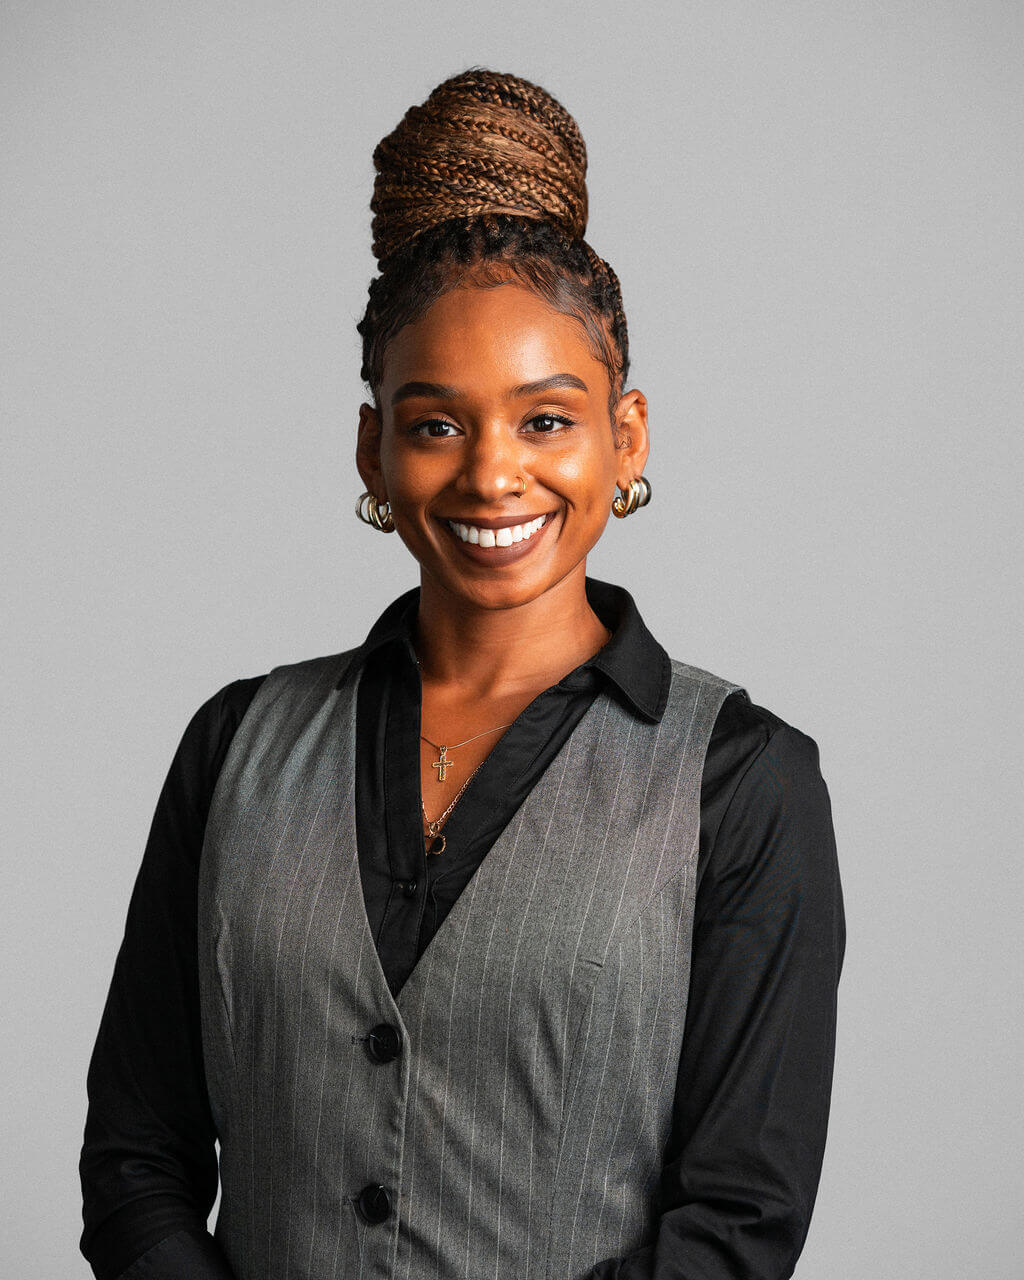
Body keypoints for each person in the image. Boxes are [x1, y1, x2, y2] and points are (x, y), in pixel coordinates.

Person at [79, 68, 845, 1280]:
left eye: (546, 420)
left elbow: (737, 1221)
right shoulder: (237, 746)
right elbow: (135, 1160)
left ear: (624, 437)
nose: (492, 474)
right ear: (372, 449)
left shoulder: (742, 782)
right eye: (437, 423)